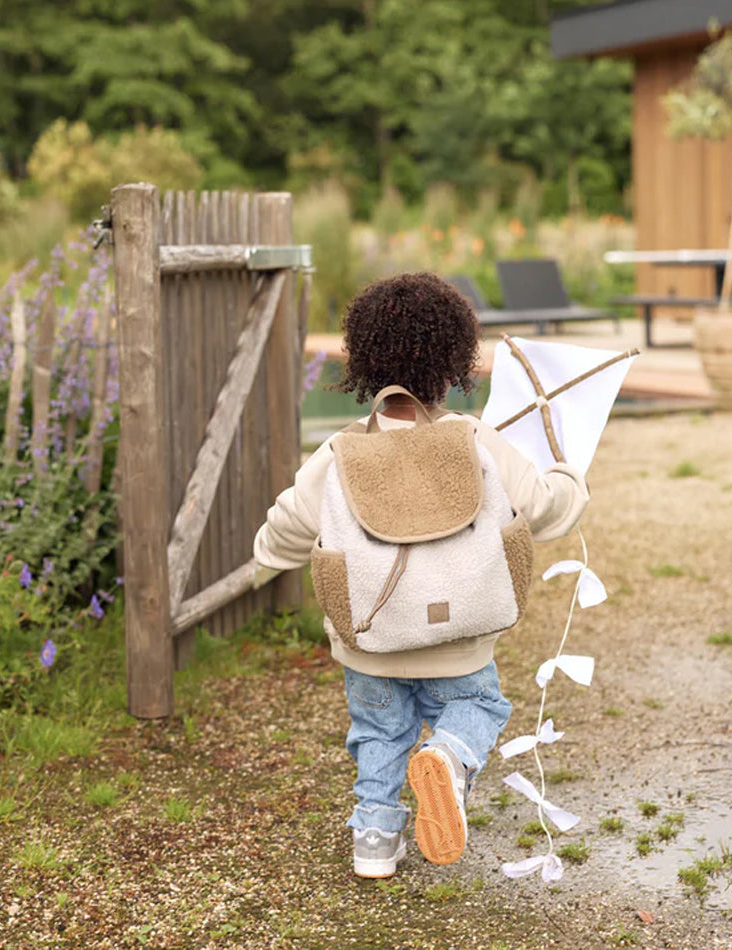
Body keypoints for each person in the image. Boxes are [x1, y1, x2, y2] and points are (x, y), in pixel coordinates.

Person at [253, 272, 588, 878]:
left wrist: (265, 554)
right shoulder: (475, 441)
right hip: (461, 641)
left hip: (373, 642)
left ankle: (375, 839)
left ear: (364, 362)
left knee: (378, 735)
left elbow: (290, 523)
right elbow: (543, 508)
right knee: (479, 706)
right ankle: (448, 756)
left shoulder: (339, 454)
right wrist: (569, 477)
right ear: (454, 362)